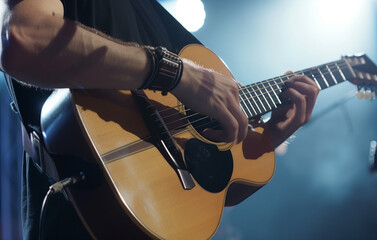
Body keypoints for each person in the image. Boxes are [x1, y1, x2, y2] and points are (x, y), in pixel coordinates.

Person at [0, 0, 319, 239]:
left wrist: (267, 138)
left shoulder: (161, 19)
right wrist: (175, 73)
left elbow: (204, 196)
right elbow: (23, 38)